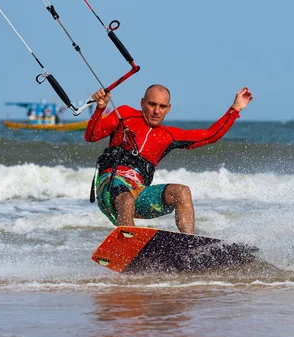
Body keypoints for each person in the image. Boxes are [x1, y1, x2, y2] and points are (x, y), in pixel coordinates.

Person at [84, 84, 253, 234]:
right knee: (126, 200)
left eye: (162, 106)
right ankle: (128, 244)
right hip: (109, 189)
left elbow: (211, 135)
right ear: (142, 103)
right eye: (152, 104)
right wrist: (100, 108)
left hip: (138, 193)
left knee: (182, 192)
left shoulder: (169, 135)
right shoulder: (125, 114)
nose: (157, 111)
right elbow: (91, 136)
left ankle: (189, 245)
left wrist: (235, 109)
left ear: (168, 108)